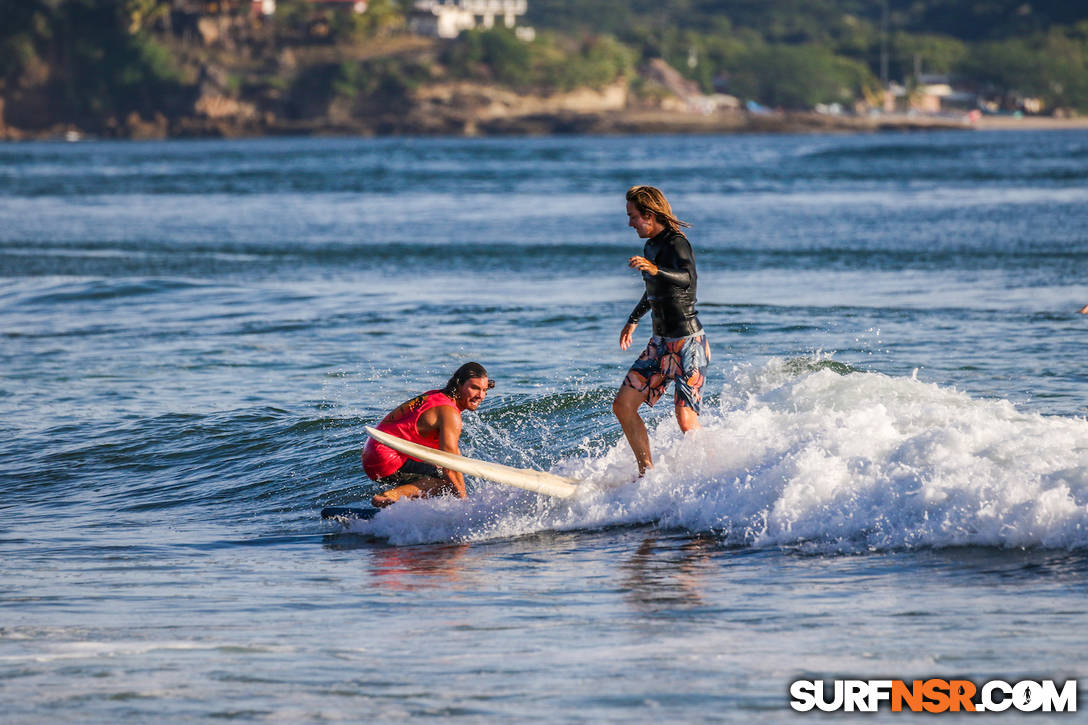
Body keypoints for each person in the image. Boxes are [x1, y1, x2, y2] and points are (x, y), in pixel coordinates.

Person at [613, 185, 711, 475]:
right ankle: (647, 473)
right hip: (660, 343)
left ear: (649, 214)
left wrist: (655, 270)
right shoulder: (650, 246)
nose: (630, 223)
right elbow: (653, 290)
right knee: (623, 405)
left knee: (685, 419)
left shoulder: (676, 243)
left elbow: (685, 279)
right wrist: (633, 319)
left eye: (633, 216)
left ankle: (711, 473)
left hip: (688, 343)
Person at [362, 362, 493, 507]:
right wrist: (465, 504)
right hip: (387, 457)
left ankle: (405, 507)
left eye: (484, 390)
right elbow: (450, 464)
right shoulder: (449, 412)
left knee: (439, 469)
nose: (480, 396)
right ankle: (390, 496)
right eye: (474, 388)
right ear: (459, 385)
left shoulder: (437, 396)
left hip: (374, 450)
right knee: (447, 482)